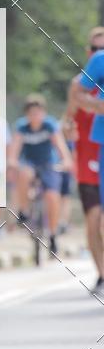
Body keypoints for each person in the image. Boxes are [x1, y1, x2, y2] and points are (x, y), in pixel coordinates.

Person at [9, 94, 73, 256]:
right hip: (29, 163)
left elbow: (60, 145)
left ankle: (52, 235)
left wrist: (65, 160)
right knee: (24, 174)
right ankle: (23, 211)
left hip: (49, 164)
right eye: (31, 113)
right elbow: (15, 149)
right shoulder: (22, 127)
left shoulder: (50, 125)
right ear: (27, 114)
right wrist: (12, 161)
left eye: (38, 112)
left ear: (43, 113)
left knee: (52, 196)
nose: (35, 116)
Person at [72, 27, 104, 292]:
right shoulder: (83, 81)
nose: (99, 52)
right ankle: (102, 273)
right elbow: (67, 121)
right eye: (95, 48)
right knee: (94, 220)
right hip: (88, 158)